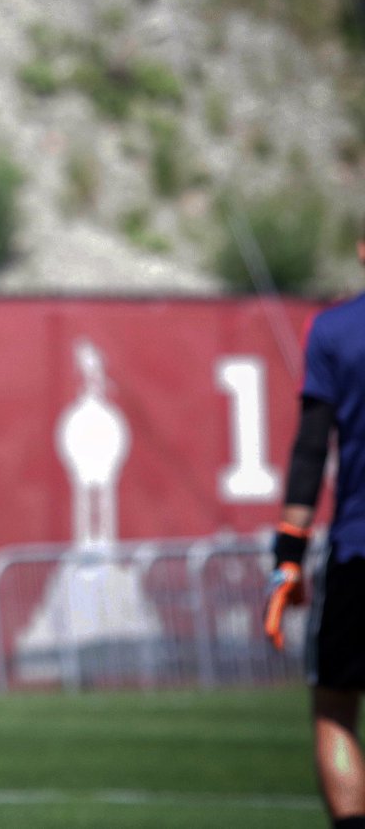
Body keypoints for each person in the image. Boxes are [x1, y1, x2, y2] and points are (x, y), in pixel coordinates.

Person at [265, 217, 365, 829]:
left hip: (357, 552)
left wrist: (288, 557)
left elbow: (309, 452)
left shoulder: (334, 330)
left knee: (334, 709)